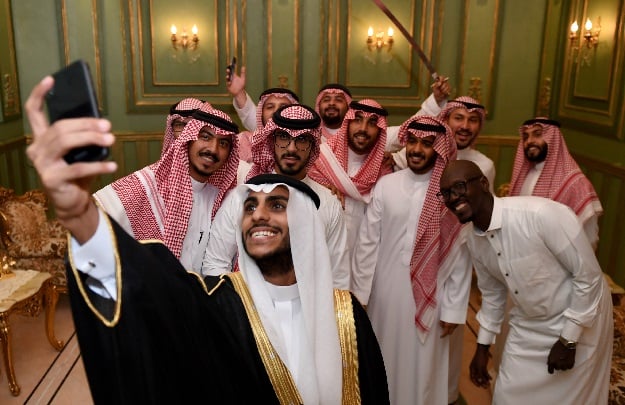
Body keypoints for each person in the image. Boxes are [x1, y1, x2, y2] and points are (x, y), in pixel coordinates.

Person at [24, 76, 390, 404]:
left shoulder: (346, 317)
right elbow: (149, 268)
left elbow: (338, 275)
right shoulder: (229, 213)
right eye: (254, 206)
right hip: (200, 308)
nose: (262, 213)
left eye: (280, 205)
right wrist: (78, 212)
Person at [439, 159, 613, 405]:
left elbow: (589, 277)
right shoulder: (472, 239)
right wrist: (482, 346)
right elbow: (493, 294)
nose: (453, 198)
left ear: (483, 183)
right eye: (445, 193)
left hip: (579, 319)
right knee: (507, 395)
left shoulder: (542, 215)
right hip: (528, 324)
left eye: (458, 187)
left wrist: (569, 339)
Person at [352, 115, 471, 404]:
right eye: (413, 141)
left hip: (434, 294)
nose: (417, 149)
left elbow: (460, 254)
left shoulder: (452, 193)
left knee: (423, 365)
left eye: (427, 144)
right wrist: (360, 295)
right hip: (385, 292)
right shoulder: (387, 185)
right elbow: (367, 243)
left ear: (440, 148)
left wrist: (453, 310)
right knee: (382, 355)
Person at [203, 104, 350, 289]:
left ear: (313, 146)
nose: (291, 148)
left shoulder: (328, 203)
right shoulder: (243, 196)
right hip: (249, 308)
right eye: (283, 137)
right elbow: (216, 261)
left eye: (302, 140)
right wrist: (232, 307)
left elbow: (338, 275)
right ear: (271, 141)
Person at [93, 101, 240, 274]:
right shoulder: (149, 183)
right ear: (188, 140)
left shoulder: (222, 197)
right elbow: (95, 213)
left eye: (223, 143)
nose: (213, 149)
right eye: (205, 137)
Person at [308, 99, 392, 252]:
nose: (363, 129)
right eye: (357, 120)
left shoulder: (384, 173)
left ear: (380, 129)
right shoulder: (319, 160)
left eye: (372, 123)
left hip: (362, 259)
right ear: (347, 122)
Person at [508, 117, 603, 249]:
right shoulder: (524, 176)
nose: (529, 141)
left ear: (552, 138)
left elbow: (588, 239)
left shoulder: (576, 183)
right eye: (526, 136)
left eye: (537, 134)